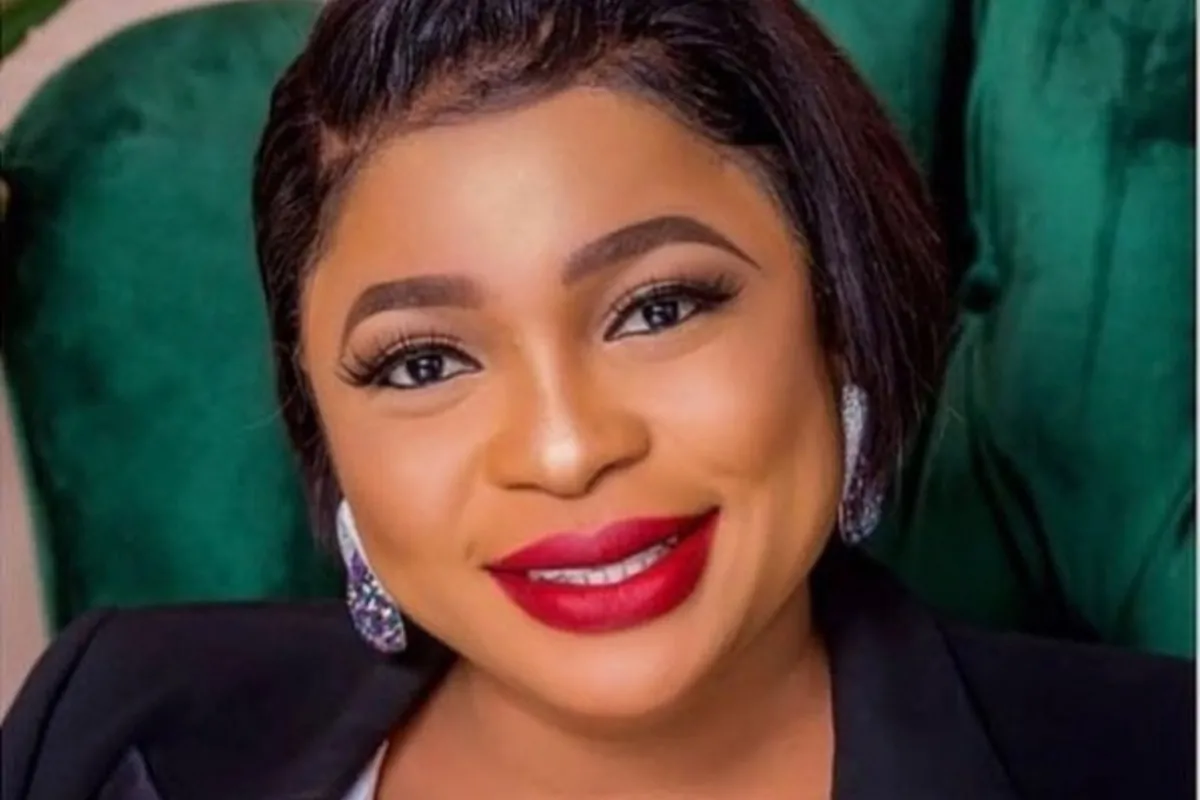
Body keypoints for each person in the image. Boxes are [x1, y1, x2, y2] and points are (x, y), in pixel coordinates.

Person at [2, 1, 1192, 798]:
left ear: (838, 318)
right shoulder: (109, 713)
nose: (566, 448)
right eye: (422, 362)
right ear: (325, 431)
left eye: (659, 307)